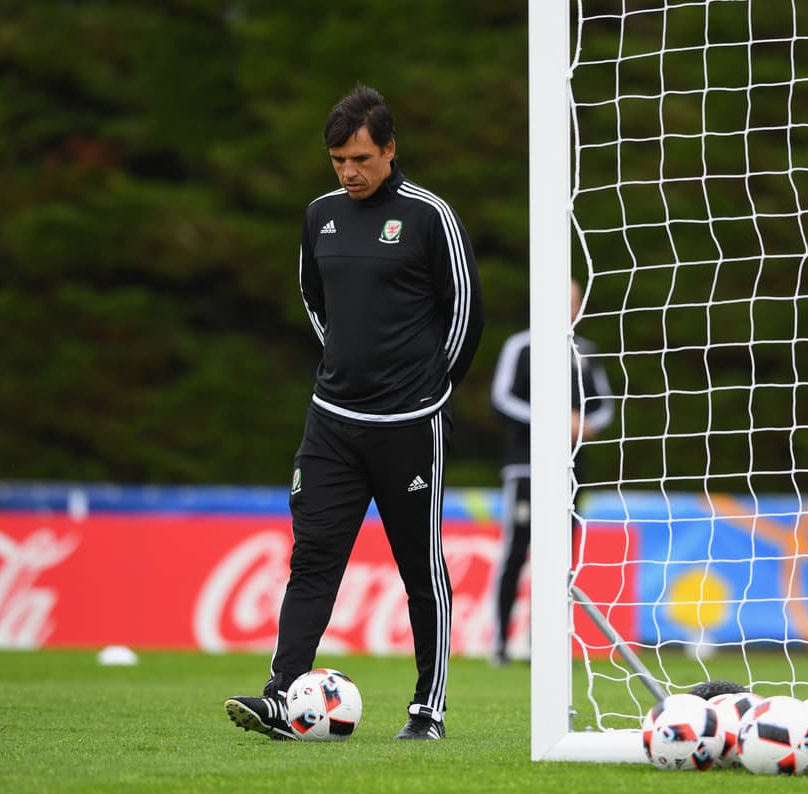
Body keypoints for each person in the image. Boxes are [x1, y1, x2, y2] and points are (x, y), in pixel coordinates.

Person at [225, 84, 483, 741]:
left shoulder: (430, 216)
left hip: (410, 429)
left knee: (419, 567)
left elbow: (466, 316)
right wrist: (347, 367)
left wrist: (425, 389)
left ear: (390, 150)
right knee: (312, 560)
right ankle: (281, 698)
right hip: (332, 424)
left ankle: (428, 710)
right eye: (339, 160)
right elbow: (315, 303)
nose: (350, 171)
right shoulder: (319, 216)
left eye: (362, 158)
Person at [489, 280, 612, 665]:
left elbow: (605, 407)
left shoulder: (585, 351)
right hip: (526, 466)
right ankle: (501, 644)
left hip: (570, 469)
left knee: (560, 558)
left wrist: (584, 424)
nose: (569, 308)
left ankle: (543, 644)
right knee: (517, 551)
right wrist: (554, 420)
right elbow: (501, 398)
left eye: (574, 301)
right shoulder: (521, 345)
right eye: (562, 301)